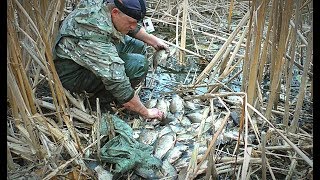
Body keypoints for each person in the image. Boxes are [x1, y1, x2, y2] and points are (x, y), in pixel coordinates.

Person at [53, 0, 167, 119]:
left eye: (136, 22)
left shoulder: (106, 5)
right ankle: (99, 101)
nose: (133, 26)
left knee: (138, 45)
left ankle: (126, 97)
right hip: (72, 75)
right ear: (115, 12)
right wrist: (146, 112)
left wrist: (153, 41)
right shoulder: (92, 35)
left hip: (87, 55)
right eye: (131, 22)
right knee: (138, 64)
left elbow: (130, 24)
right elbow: (118, 82)